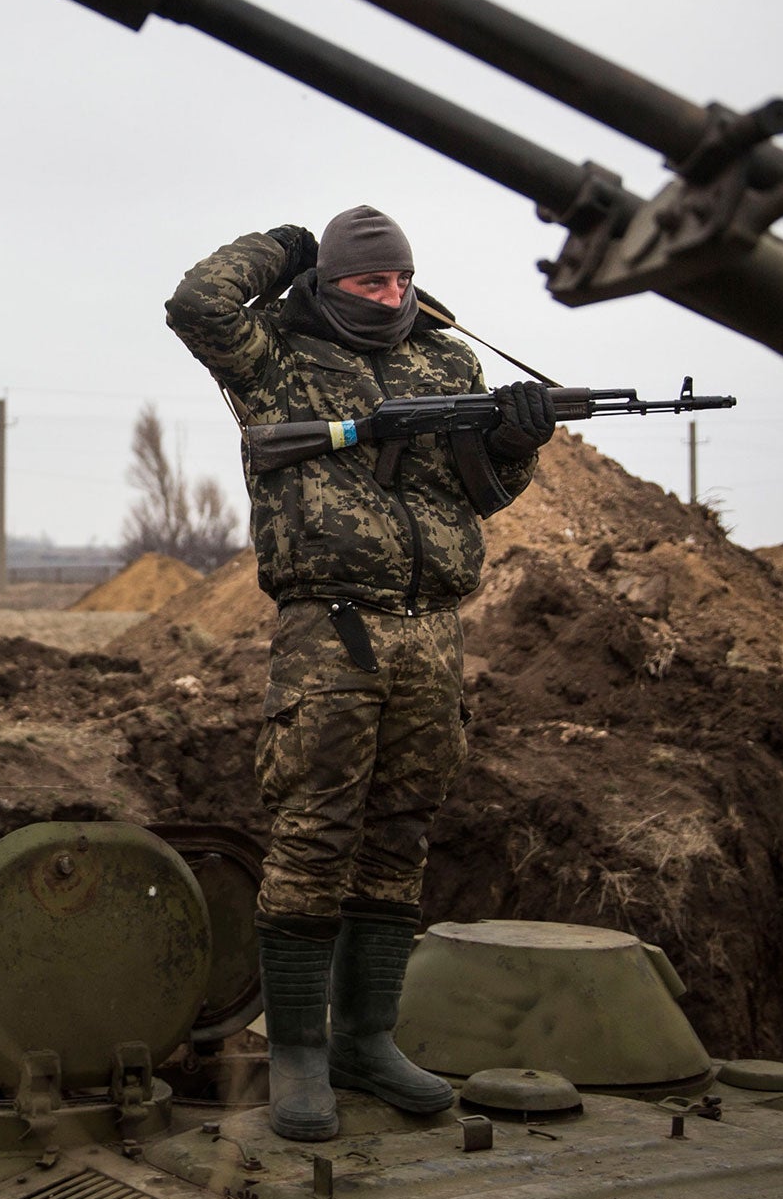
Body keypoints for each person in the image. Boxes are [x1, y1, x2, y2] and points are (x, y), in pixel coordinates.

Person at [166, 205, 554, 1141]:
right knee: (315, 830)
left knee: (400, 832)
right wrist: (290, 247)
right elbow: (195, 302)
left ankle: (367, 1041)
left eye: (399, 281)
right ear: (330, 285)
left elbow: (475, 494)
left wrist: (515, 441)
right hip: (330, 630)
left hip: (432, 631)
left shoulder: (447, 360)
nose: (389, 297)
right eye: (367, 282)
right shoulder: (274, 356)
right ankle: (300, 1050)